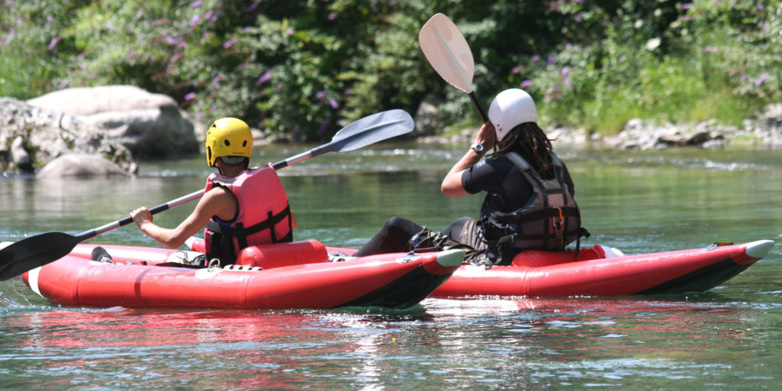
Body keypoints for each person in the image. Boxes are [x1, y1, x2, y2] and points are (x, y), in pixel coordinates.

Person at [354, 88, 587, 265]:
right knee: (461, 225)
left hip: (501, 259)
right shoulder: (556, 164)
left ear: (499, 128)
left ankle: (350, 266)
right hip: (548, 250)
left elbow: (448, 186)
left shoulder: (498, 166)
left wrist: (478, 147)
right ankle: (421, 256)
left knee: (395, 226)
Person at [129, 117, 295, 265]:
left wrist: (145, 224)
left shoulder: (217, 196)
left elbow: (173, 239)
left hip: (235, 271)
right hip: (275, 263)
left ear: (212, 151)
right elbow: (291, 224)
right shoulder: (264, 183)